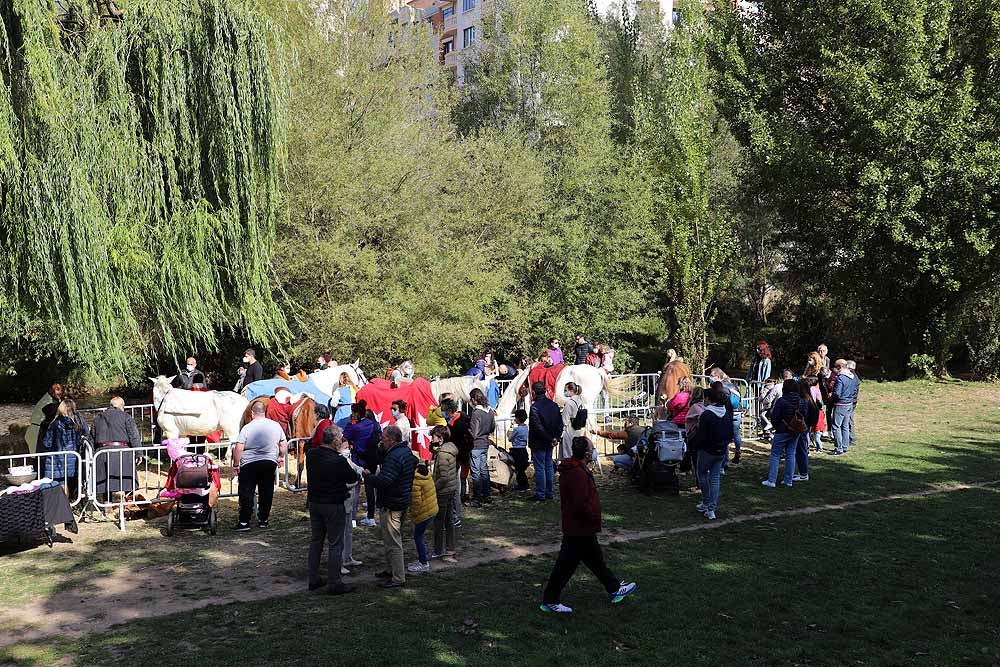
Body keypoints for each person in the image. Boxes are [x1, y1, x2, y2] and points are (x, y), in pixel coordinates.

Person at [540, 436, 637, 613]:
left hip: (581, 526)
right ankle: (550, 599)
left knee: (595, 560)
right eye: (592, 448)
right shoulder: (576, 473)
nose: (593, 450)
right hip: (579, 527)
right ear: (586, 452)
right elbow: (580, 502)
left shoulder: (577, 469)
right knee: (566, 565)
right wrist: (592, 516)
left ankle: (614, 588)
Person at [306, 425, 358, 594]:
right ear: (335, 441)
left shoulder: (312, 455)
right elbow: (353, 477)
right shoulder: (338, 461)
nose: (342, 441)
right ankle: (334, 582)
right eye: (341, 439)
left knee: (316, 541)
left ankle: (313, 578)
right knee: (336, 544)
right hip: (333, 505)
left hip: (315, 503)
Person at [364, 425, 416, 588]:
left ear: (392, 440)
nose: (381, 441)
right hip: (401, 499)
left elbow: (385, 480)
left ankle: (398, 577)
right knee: (389, 538)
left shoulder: (394, 457)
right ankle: (391, 569)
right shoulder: (405, 452)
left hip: (392, 502)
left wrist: (368, 477)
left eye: (384, 439)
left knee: (393, 541)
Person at [233, 402, 288, 531]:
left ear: (252, 413)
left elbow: (239, 447)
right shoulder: (275, 425)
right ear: (265, 412)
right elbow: (283, 444)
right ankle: (263, 519)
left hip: (249, 464)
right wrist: (280, 456)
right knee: (266, 491)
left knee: (246, 492)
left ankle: (244, 522)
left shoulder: (247, 428)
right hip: (269, 462)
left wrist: (236, 464)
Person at [692, 383, 734, 520]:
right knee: (715, 479)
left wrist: (695, 445)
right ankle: (711, 508)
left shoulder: (707, 414)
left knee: (702, 475)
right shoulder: (726, 412)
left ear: (709, 399)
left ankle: (706, 502)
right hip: (721, 450)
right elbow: (730, 432)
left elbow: (701, 435)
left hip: (707, 450)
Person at [92, 397, 142, 498]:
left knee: (105, 481)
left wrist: (92, 454)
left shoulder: (98, 417)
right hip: (123, 452)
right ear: (121, 406)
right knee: (128, 480)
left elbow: (92, 436)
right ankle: (129, 504)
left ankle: (108, 506)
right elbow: (134, 435)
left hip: (102, 452)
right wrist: (139, 453)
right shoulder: (126, 416)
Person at [762, 379, 807, 488]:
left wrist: (778, 427)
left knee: (775, 454)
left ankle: (771, 480)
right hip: (796, 431)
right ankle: (788, 480)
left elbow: (774, 417)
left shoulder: (782, 401)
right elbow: (805, 414)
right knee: (791, 454)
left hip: (782, 430)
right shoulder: (802, 401)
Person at [40, 399, 88, 499]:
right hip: (74, 458)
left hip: (58, 459)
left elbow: (47, 443)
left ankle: (64, 508)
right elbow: (86, 432)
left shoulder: (55, 424)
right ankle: (74, 503)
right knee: (75, 481)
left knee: (62, 483)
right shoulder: (79, 421)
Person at [343, 400, 381, 527]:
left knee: (355, 491)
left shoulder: (355, 427)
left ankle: (352, 519)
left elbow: (345, 435)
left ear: (357, 414)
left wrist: (349, 422)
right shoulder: (373, 424)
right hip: (371, 460)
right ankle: (371, 517)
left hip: (358, 460)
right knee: (370, 490)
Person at [529, 381, 563, 502]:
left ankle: (541, 493)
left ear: (533, 392)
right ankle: (549, 492)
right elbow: (560, 423)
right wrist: (556, 438)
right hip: (550, 440)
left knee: (540, 468)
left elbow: (538, 427)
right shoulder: (553, 405)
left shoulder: (535, 407)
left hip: (540, 441)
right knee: (548, 466)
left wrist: (552, 438)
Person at [430, 425, 459, 560]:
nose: (431, 439)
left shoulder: (442, 454)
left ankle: (438, 549)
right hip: (451, 490)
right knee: (449, 521)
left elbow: (444, 477)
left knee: (439, 522)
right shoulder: (450, 450)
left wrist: (433, 487)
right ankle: (450, 548)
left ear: (440, 438)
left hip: (442, 492)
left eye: (433, 436)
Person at [406, 458, 438, 574]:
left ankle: (423, 563)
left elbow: (416, 502)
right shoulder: (426, 474)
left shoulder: (416, 481)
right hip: (432, 509)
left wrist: (413, 516)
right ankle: (422, 558)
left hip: (423, 513)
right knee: (421, 536)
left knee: (418, 536)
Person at [709, 367, 744, 466]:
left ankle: (725, 461)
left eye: (712, 376)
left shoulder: (719, 387)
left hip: (726, 413)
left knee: (725, 437)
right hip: (737, 412)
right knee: (736, 433)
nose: (710, 378)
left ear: (717, 376)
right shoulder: (732, 384)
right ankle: (738, 452)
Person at [467, 388, 496, 505]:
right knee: (484, 470)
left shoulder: (476, 413)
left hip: (476, 445)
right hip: (485, 443)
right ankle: (487, 495)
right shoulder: (490, 411)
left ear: (474, 399)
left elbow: (473, 432)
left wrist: (467, 431)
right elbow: (492, 427)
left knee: (476, 472)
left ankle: (477, 498)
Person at [830, 359, 860, 455]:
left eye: (836, 367)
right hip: (849, 403)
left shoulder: (841, 378)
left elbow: (837, 393)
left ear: (840, 367)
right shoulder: (853, 377)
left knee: (835, 426)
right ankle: (845, 446)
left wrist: (832, 397)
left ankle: (838, 448)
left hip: (840, 404)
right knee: (845, 426)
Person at [794, 380, 821, 482]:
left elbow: (801, 416)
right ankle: (802, 472)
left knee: (801, 451)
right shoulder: (810, 401)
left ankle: (803, 474)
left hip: (801, 428)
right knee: (802, 450)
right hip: (806, 428)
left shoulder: (802, 401)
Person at [27, 383, 63, 454]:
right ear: (50, 391)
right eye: (57, 390)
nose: (60, 392)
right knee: (38, 457)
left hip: (38, 429)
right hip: (37, 431)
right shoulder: (48, 402)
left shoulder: (50, 399)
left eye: (61, 390)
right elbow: (52, 411)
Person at [560, 382, 585, 461]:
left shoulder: (569, 403)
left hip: (569, 431)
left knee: (568, 454)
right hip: (578, 430)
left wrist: (561, 433)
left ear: (571, 391)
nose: (565, 392)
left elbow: (564, 420)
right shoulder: (580, 401)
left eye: (565, 390)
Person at [507, 409, 530, 491]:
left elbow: (510, 439)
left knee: (518, 469)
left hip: (516, 450)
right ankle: (523, 483)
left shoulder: (517, 429)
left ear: (517, 419)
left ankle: (522, 484)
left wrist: (509, 434)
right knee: (521, 468)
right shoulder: (526, 428)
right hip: (523, 449)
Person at [847, 360, 860, 447]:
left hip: (850, 401)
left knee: (849, 420)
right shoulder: (855, 377)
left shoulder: (852, 377)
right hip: (852, 401)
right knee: (849, 420)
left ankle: (851, 438)